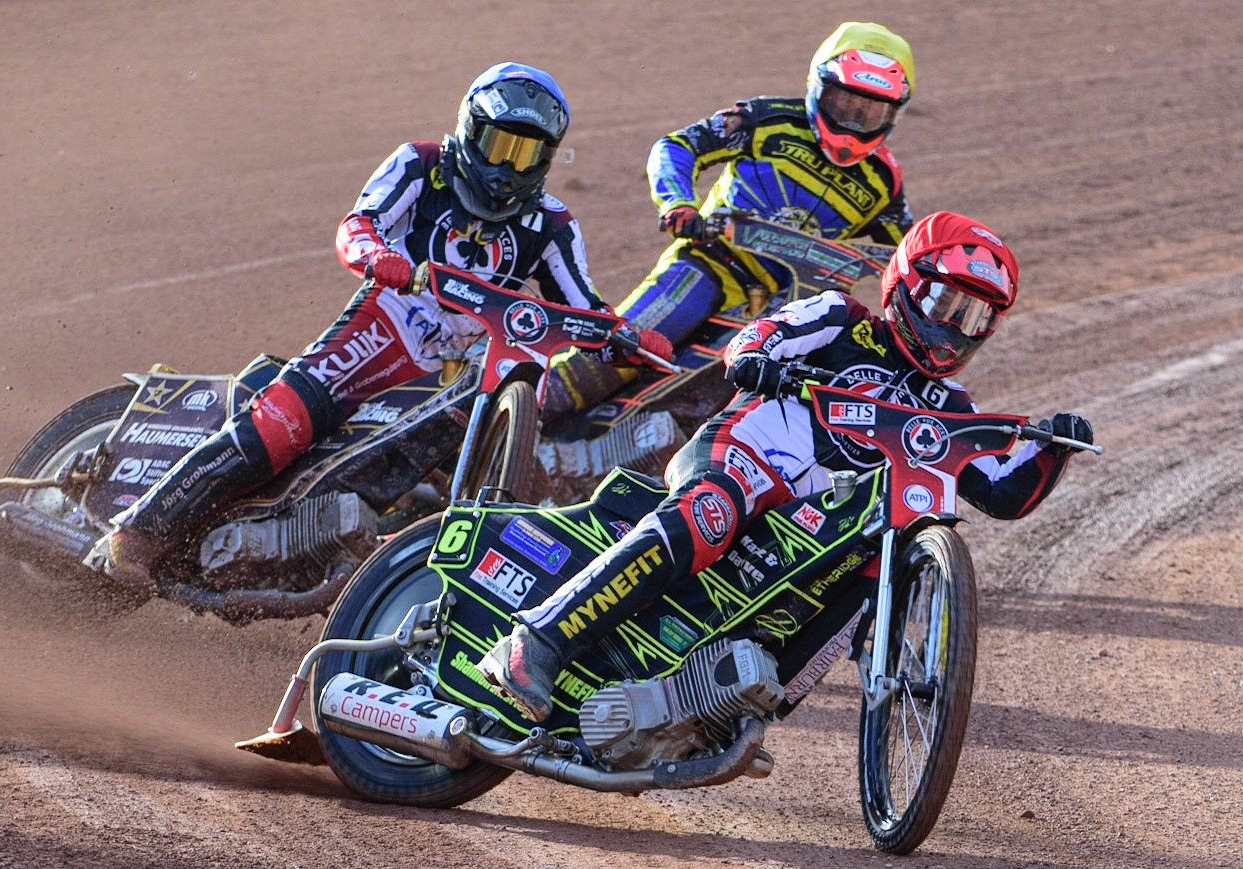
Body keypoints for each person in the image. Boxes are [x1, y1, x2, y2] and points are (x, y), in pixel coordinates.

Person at [481, 211, 1095, 723]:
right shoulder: (840, 318)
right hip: (749, 457)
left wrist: (1052, 447)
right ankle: (536, 639)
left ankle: (717, 709)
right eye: (946, 304)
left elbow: (1002, 491)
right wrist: (760, 361)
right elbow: (754, 338)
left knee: (872, 567)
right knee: (710, 514)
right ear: (904, 284)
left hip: (816, 529)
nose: (955, 331)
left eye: (976, 318)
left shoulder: (953, 409)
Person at [90, 62, 658, 585]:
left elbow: (582, 307)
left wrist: (625, 338)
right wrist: (376, 257)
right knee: (283, 425)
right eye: (499, 144)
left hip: (458, 368)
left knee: (519, 487)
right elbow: (358, 223)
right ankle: (135, 535)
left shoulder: (551, 223)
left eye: (527, 153)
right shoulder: (421, 164)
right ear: (468, 130)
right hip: (383, 326)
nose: (510, 166)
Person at [543, 21, 918, 420]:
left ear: (893, 114)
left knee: (735, 408)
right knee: (615, 353)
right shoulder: (765, 119)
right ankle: (507, 418)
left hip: (781, 306)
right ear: (819, 86)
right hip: (708, 264)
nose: (855, 121)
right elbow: (677, 145)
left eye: (871, 111)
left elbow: (906, 252)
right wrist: (678, 204)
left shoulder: (884, 179)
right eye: (846, 103)